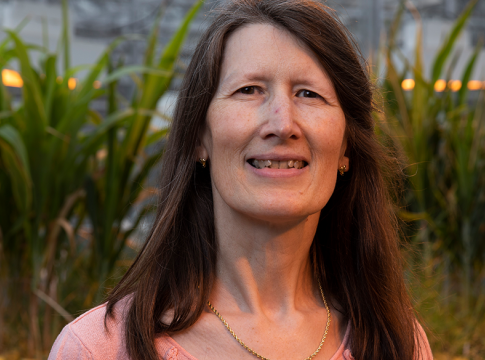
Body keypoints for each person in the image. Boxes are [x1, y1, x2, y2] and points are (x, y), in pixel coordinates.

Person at [48, 0, 432, 359]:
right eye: (249, 90)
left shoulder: (396, 342)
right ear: (200, 137)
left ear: (347, 145)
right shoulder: (101, 348)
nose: (282, 124)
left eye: (309, 94)